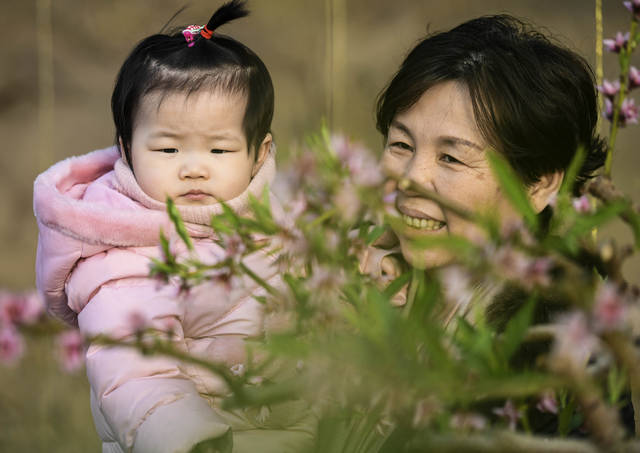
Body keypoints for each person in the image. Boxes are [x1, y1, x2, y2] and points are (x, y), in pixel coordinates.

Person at [34, 2, 314, 452]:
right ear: (126, 150)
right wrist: (190, 440)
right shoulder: (123, 257)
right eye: (168, 150)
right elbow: (134, 371)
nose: (193, 169)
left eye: (219, 151)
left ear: (259, 154)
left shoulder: (277, 225)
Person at [364, 15, 605, 309]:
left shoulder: (547, 335)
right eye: (402, 145)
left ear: (539, 185)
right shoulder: (369, 272)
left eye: (451, 158)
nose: (412, 178)